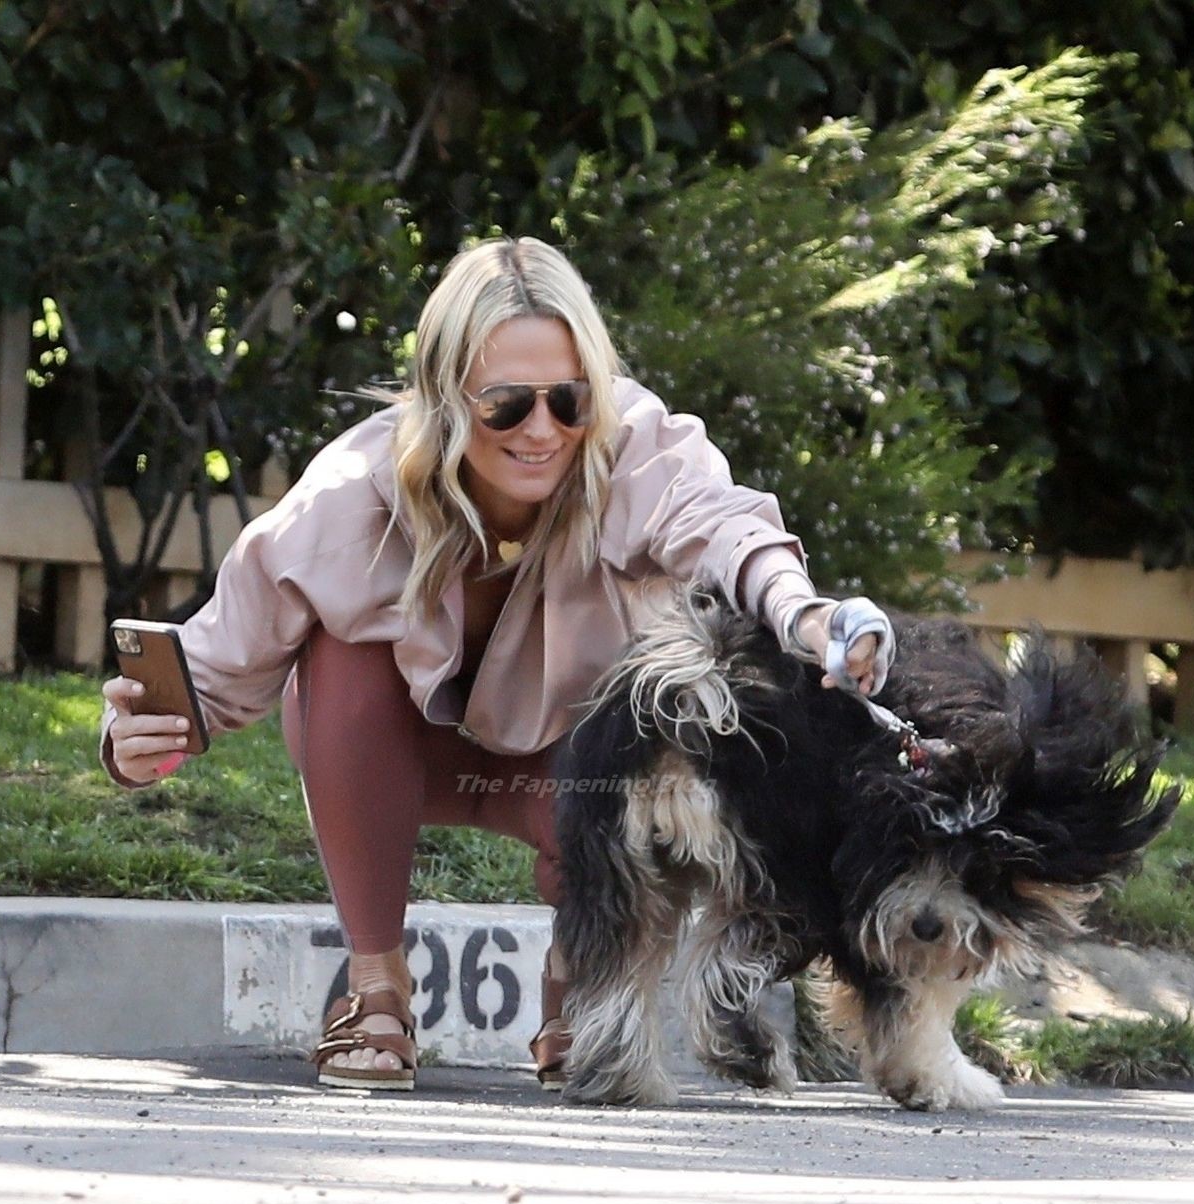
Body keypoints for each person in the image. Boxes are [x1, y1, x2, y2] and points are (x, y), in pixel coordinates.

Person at [100, 236, 892, 1092]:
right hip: (392, 760)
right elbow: (216, 663)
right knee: (339, 653)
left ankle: (582, 988)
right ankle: (375, 991)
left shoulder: (635, 446)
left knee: (651, 715)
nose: (543, 430)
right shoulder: (353, 491)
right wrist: (137, 741)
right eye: (507, 405)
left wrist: (804, 613)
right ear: (444, 398)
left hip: (575, 770)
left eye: (569, 399)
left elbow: (726, 525)